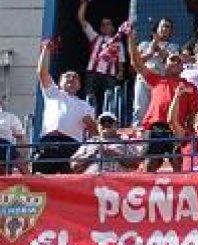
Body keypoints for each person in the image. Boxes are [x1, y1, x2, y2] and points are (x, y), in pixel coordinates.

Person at [127, 27, 198, 173]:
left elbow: (195, 112)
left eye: (178, 61)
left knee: (178, 163)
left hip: (177, 128)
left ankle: (181, 193)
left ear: (182, 67)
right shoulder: (157, 80)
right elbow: (136, 63)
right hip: (156, 128)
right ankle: (146, 194)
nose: (175, 62)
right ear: (165, 64)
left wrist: (188, 132)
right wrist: (130, 39)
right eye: (171, 60)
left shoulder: (190, 87)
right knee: (150, 164)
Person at [35, 41, 95, 174]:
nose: (71, 78)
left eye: (75, 77)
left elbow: (93, 130)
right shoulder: (53, 93)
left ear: (79, 86)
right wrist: (46, 50)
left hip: (72, 146)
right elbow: (42, 72)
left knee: (68, 184)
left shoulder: (85, 106)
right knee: (40, 182)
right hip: (49, 142)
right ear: (60, 82)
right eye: (67, 76)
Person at [75, 0, 124, 112]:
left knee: (110, 100)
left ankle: (107, 122)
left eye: (108, 24)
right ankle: (89, 120)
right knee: (90, 98)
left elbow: (121, 61)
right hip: (92, 73)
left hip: (110, 75)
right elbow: (81, 19)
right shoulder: (94, 37)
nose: (105, 26)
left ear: (113, 27)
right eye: (103, 24)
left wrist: (121, 72)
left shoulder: (119, 43)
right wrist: (84, 2)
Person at [132, 18, 177, 124]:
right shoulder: (143, 44)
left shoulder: (173, 47)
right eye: (162, 26)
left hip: (161, 82)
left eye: (168, 27)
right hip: (143, 80)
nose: (165, 29)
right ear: (156, 29)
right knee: (140, 108)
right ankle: (139, 134)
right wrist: (151, 51)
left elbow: (172, 62)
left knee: (159, 109)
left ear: (171, 31)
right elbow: (136, 62)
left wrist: (160, 50)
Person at [70, 112, 141, 174]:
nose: (106, 124)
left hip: (117, 182)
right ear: (98, 126)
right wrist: (93, 154)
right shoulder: (89, 143)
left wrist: (115, 154)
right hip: (92, 182)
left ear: (116, 125)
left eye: (109, 122)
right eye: (102, 122)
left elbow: (136, 164)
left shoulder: (126, 142)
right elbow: (74, 166)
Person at [0, 106, 25, 175]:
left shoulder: (9, 117)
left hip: (6, 148)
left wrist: (22, 153)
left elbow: (20, 136)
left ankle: (31, 180)